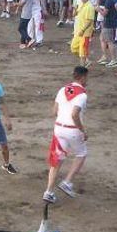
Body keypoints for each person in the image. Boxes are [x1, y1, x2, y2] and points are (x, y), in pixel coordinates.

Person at [44, 65, 89, 203]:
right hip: (73, 130)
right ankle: (67, 182)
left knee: (57, 161)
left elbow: (54, 112)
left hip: (58, 128)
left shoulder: (62, 89)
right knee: (81, 154)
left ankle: (49, 192)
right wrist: (82, 130)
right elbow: (75, 114)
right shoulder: (82, 95)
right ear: (82, 77)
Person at [70, 0, 94, 67]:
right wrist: (74, 10)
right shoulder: (81, 4)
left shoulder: (90, 7)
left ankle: (82, 67)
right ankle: (86, 61)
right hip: (78, 31)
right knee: (73, 48)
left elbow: (89, 21)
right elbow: (75, 14)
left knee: (82, 52)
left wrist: (83, 30)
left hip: (85, 33)